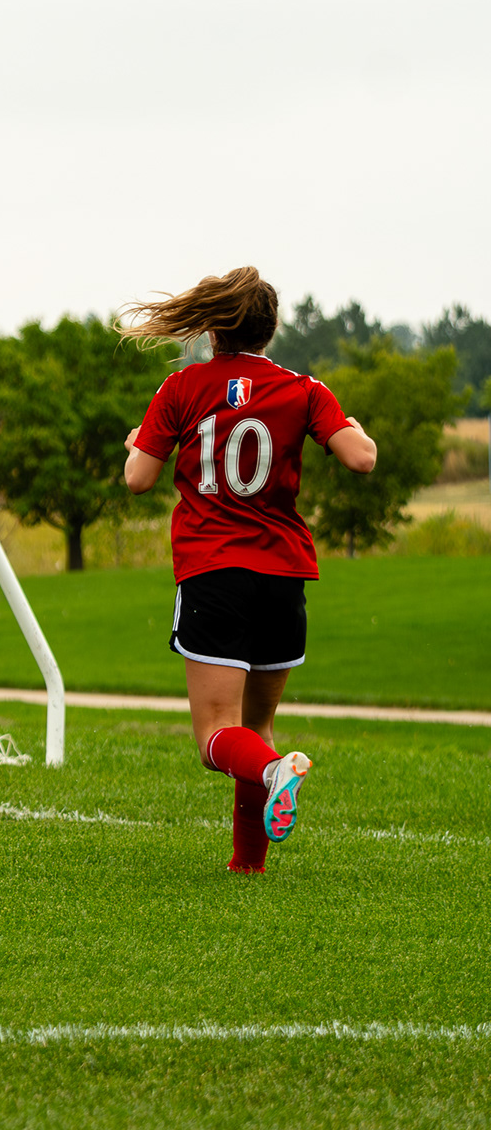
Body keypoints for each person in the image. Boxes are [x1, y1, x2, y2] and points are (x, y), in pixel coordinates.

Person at [122, 267, 377, 873]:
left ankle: (274, 770)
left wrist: (137, 444)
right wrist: (354, 428)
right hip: (284, 576)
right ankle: (248, 864)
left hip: (214, 572)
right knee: (256, 725)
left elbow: (138, 479)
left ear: (213, 329)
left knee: (216, 737)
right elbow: (362, 459)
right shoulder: (304, 389)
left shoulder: (181, 387)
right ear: (271, 329)